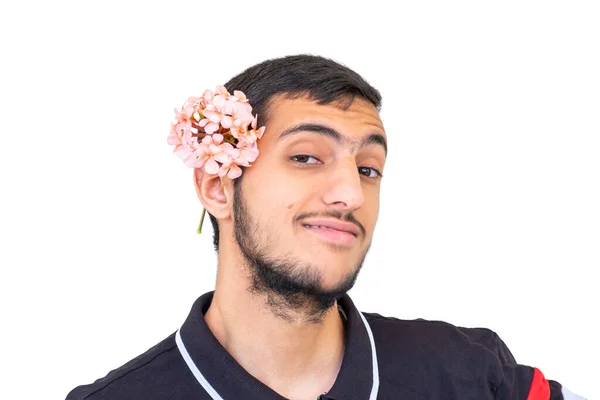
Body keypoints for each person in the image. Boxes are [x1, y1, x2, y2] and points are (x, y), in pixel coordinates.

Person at [66, 55, 585, 400]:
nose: (351, 194)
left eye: (368, 169)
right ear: (218, 187)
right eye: (308, 157)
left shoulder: (471, 375)